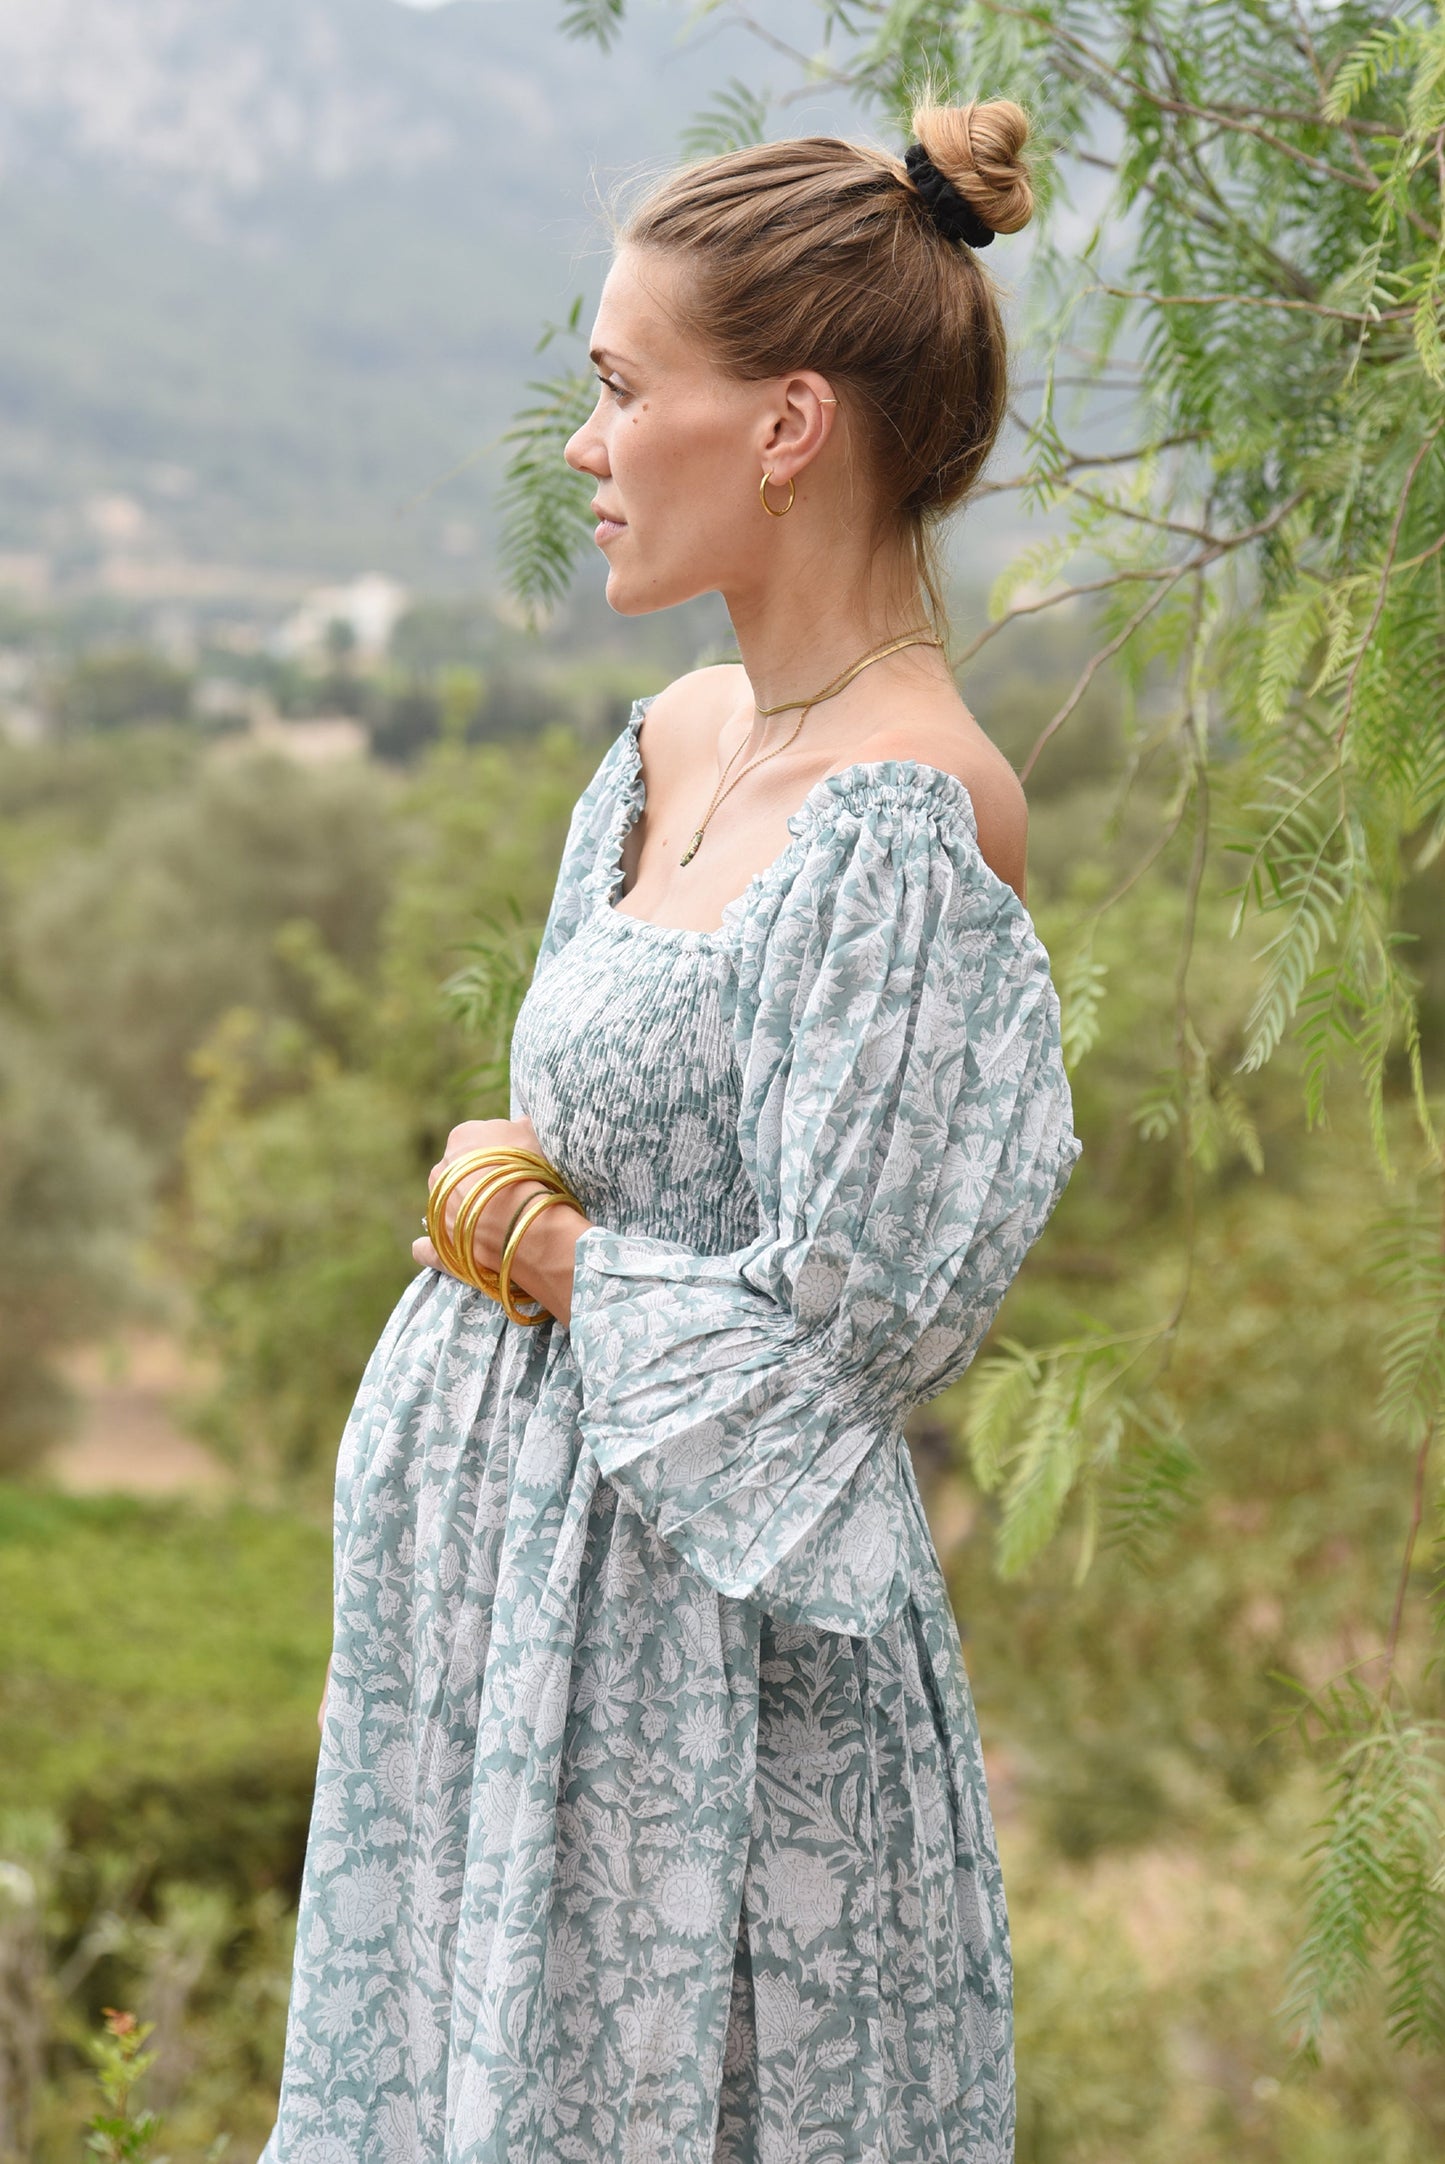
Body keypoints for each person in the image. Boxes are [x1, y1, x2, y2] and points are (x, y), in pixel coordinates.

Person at [262, 96, 1081, 2164]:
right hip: (508, 1649)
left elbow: (838, 1343)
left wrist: (536, 1246)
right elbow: (567, 1126)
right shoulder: (669, 741)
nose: (585, 446)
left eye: (625, 390)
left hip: (705, 1700)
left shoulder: (914, 822)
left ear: (788, 424)